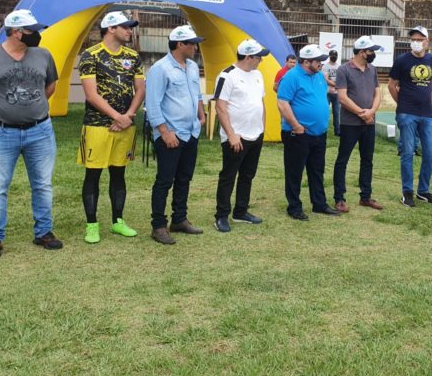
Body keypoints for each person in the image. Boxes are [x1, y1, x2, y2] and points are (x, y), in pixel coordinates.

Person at [0, 9, 61, 260]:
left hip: (40, 131)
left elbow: (50, 85)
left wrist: (33, 107)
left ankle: (44, 232)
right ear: (17, 32)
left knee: (43, 185)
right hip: (0, 133)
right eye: (32, 30)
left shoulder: (43, 55)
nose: (38, 34)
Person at [77, 11, 145, 244]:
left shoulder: (133, 56)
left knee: (119, 173)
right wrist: (117, 116)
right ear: (111, 28)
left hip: (125, 126)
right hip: (97, 126)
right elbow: (91, 93)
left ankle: (118, 221)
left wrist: (128, 116)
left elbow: (140, 90)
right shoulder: (90, 55)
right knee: (93, 175)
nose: (130, 31)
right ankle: (92, 225)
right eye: (126, 27)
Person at [145, 25, 206, 244]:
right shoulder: (160, 69)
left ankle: (179, 219)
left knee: (184, 178)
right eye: (192, 43)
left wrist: (201, 114)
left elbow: (197, 92)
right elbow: (152, 104)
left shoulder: (191, 66)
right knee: (164, 181)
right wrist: (164, 132)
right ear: (180, 44)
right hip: (171, 134)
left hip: (190, 132)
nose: (196, 47)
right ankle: (158, 225)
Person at [277, 44, 340, 220]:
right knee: (294, 171)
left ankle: (319, 204)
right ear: (306, 61)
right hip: (297, 133)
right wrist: (296, 126)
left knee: (317, 170)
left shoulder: (319, 76)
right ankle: (294, 207)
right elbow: (282, 103)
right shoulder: (291, 77)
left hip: (319, 134)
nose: (321, 63)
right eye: (318, 60)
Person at [213, 39, 269, 232]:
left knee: (248, 175)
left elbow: (260, 102)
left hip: (255, 134)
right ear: (248, 56)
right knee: (228, 176)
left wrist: (262, 128)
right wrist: (231, 134)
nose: (261, 60)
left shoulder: (258, 74)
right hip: (236, 136)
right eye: (258, 57)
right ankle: (221, 215)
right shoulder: (227, 75)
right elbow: (220, 107)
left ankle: (241, 211)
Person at [388, 26, 432, 207]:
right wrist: (401, 104)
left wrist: (429, 97)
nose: (416, 42)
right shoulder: (402, 60)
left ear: (427, 41)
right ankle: (407, 192)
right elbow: (391, 85)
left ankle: (423, 190)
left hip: (427, 114)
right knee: (408, 152)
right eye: (414, 39)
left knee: (431, 152)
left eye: (420, 39)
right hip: (407, 113)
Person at [332, 36, 383, 212]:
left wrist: (371, 112)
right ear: (362, 52)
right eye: (371, 51)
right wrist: (363, 114)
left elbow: (378, 93)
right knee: (342, 160)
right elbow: (342, 98)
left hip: (369, 123)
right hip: (350, 123)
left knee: (367, 160)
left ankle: (366, 196)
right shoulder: (343, 70)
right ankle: (339, 198)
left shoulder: (372, 70)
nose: (373, 54)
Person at [322, 49, 341, 136]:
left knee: (336, 113)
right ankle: (323, 130)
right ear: (329, 56)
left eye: (335, 56)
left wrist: (336, 87)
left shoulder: (339, 67)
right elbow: (326, 79)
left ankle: (337, 131)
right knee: (324, 112)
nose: (334, 57)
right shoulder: (325, 67)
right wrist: (335, 85)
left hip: (336, 94)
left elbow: (341, 79)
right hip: (327, 93)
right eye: (332, 56)